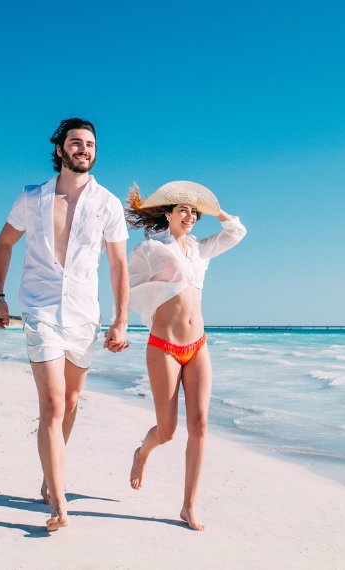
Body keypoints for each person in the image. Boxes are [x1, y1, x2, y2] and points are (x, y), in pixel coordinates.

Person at [0, 118, 130, 531]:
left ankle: (49, 478)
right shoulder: (32, 198)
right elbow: (4, 243)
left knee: (69, 403)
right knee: (51, 404)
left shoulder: (108, 203)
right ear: (60, 149)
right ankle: (59, 502)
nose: (84, 149)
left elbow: (118, 265)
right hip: (41, 311)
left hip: (84, 315)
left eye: (90, 144)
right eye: (76, 142)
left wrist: (121, 320)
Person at [125, 181, 246, 530]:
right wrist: (121, 322)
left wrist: (215, 209)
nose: (190, 215)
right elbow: (126, 286)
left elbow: (236, 232)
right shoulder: (150, 248)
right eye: (183, 209)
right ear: (168, 214)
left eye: (194, 212)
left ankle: (188, 506)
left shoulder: (199, 249)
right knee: (167, 431)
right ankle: (142, 452)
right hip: (164, 345)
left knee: (200, 425)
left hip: (198, 346)